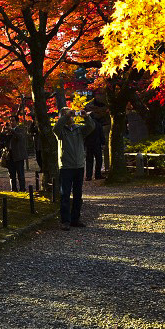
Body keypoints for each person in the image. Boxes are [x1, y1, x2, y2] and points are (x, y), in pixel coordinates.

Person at [53, 97, 95, 230]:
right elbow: (55, 128)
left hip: (79, 165)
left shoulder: (78, 129)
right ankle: (65, 220)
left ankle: (75, 219)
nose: (70, 116)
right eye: (66, 115)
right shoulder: (60, 131)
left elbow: (91, 127)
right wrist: (64, 117)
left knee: (78, 194)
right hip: (66, 166)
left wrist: (85, 117)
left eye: (70, 114)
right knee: (65, 194)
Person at [7, 115, 28, 192]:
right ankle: (13, 189)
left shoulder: (20, 129)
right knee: (11, 174)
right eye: (10, 121)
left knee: (20, 174)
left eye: (13, 121)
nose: (11, 122)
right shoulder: (8, 132)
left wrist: (12, 131)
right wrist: (3, 133)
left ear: (17, 121)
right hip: (10, 155)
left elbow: (20, 137)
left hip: (19, 155)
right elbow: (2, 142)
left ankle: (22, 189)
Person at [84, 112, 106, 181]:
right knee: (99, 160)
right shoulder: (98, 125)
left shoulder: (86, 125)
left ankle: (88, 175)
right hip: (97, 144)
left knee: (89, 160)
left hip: (88, 144)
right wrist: (103, 143)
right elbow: (101, 135)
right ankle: (97, 174)